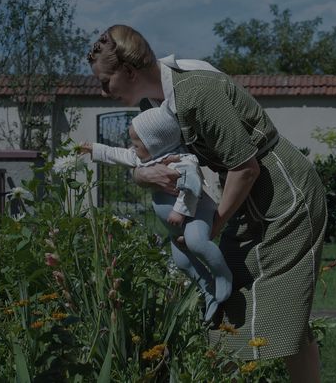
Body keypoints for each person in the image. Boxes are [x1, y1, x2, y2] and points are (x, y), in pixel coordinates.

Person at [87, 24, 327, 383]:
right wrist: (142, 175)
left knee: (273, 310)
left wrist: (213, 227)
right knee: (240, 302)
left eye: (105, 82)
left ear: (129, 72)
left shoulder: (196, 93)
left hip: (285, 197)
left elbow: (246, 167)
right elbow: (154, 160)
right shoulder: (157, 103)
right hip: (250, 202)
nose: (103, 92)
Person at [81, 103, 232, 323]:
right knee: (182, 262)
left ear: (155, 143)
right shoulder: (147, 159)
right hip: (175, 226)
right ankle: (208, 290)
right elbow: (119, 154)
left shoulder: (182, 161)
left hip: (195, 214)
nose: (132, 148)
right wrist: (94, 149)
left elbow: (193, 186)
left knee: (197, 242)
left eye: (136, 143)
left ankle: (222, 275)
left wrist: (180, 211)